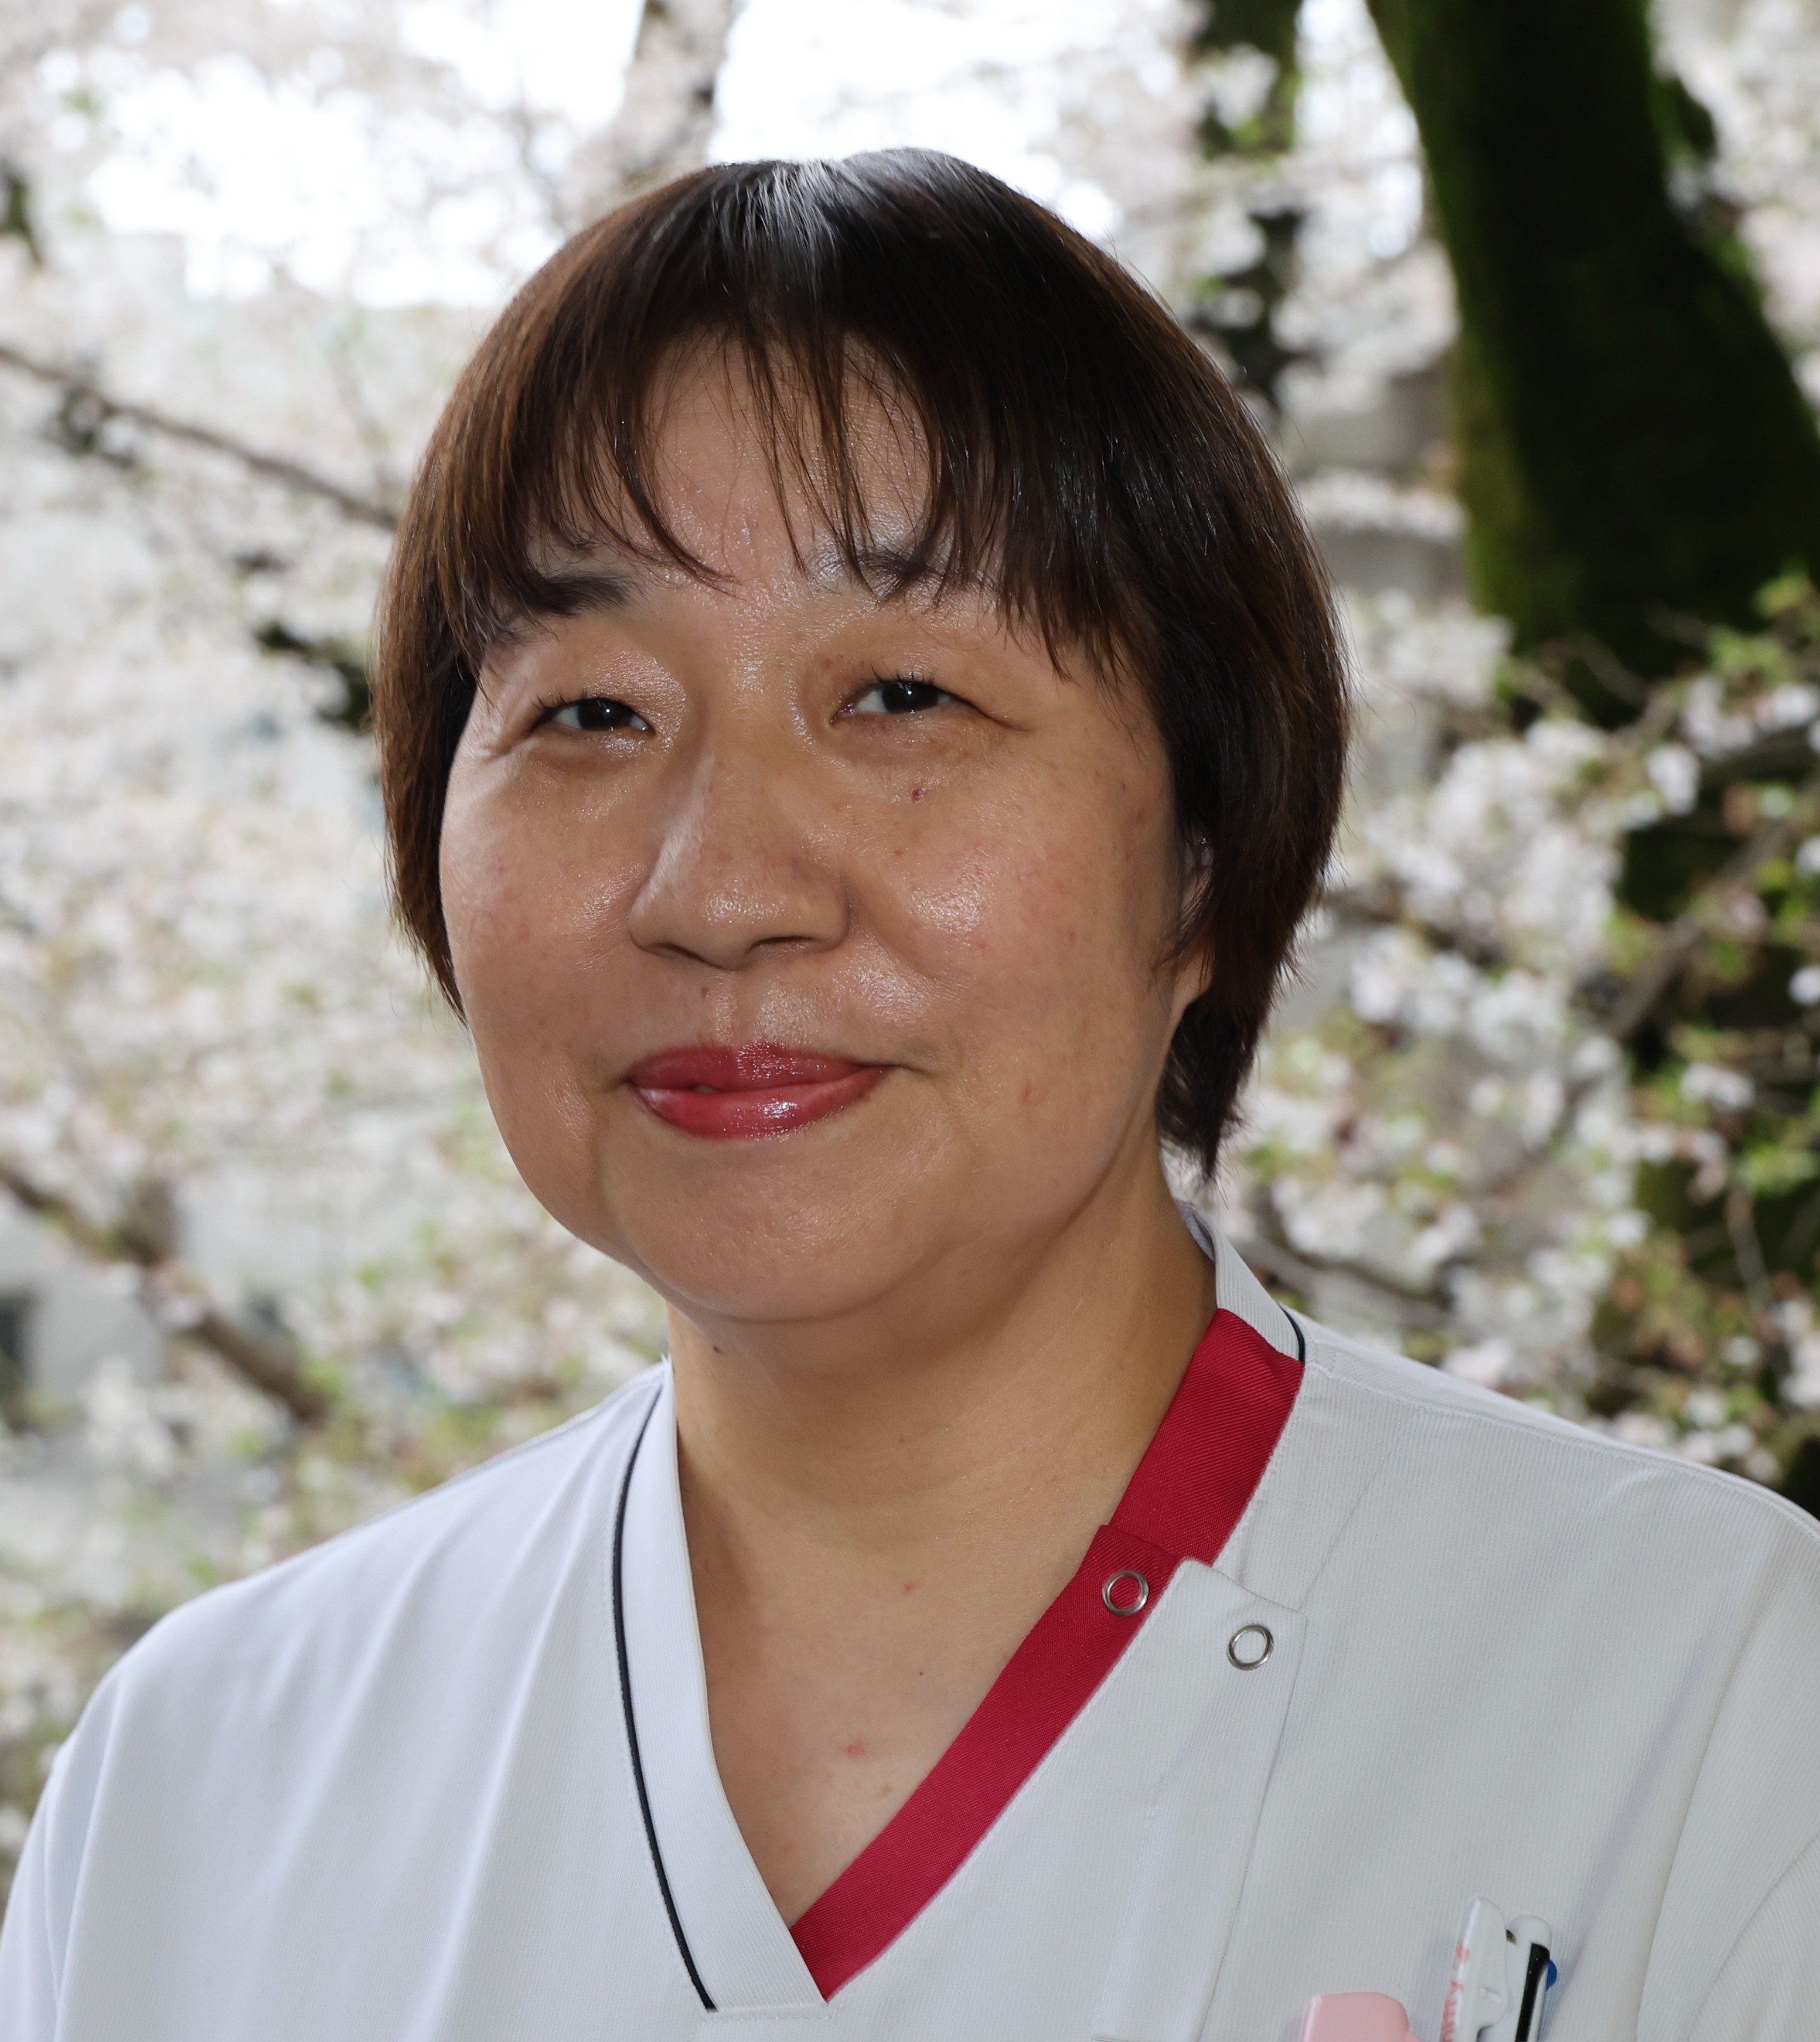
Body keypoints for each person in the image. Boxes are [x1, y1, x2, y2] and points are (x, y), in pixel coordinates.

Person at [2, 149, 1816, 2042]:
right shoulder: (200, 1789)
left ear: (1206, 855)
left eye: (902, 697)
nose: (721, 886)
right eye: (591, 712)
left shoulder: (1700, 1706)